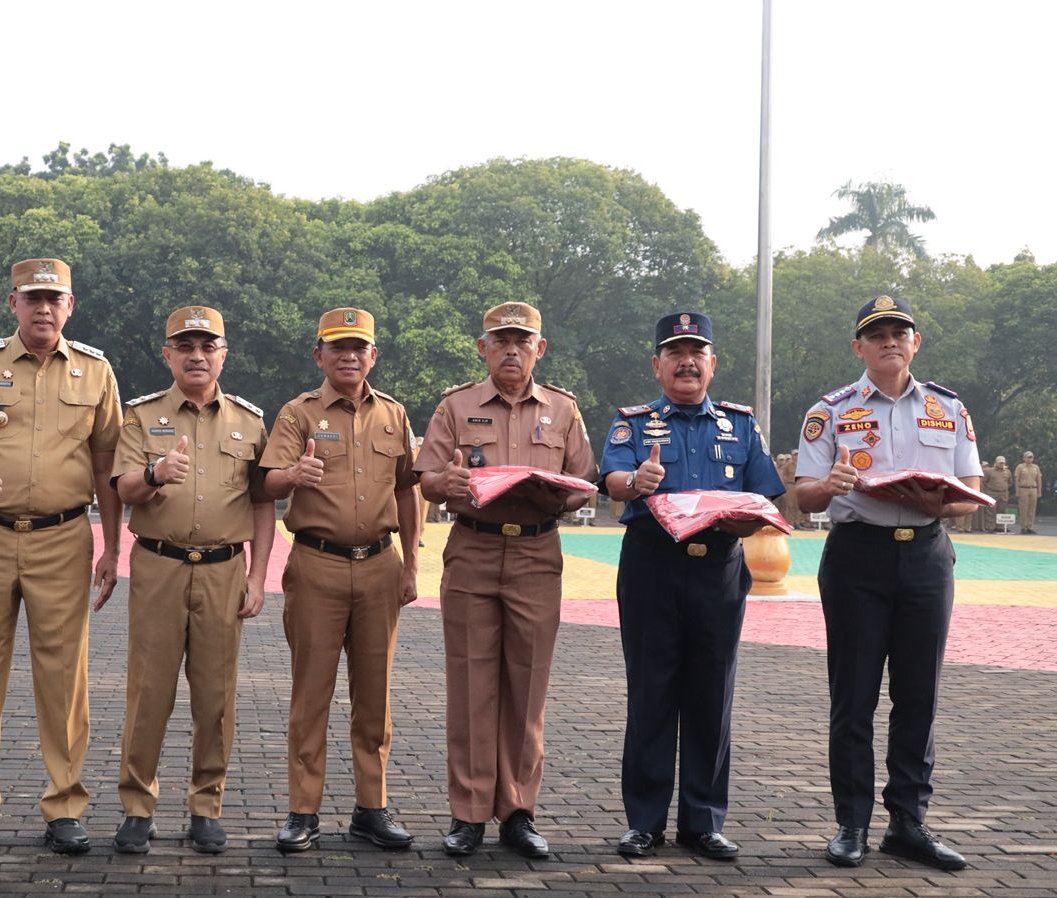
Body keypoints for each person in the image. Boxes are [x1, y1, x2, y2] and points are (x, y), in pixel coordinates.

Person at [0, 258, 123, 856]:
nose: (42, 308)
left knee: (65, 677)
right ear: (12, 303)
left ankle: (64, 805)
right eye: (31, 297)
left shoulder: (95, 370)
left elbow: (107, 465)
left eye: (53, 299)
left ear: (70, 306)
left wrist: (114, 547)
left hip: (64, 538)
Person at [795, 295, 980, 871]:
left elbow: (970, 488)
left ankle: (908, 823)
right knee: (854, 697)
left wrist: (939, 502)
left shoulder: (949, 409)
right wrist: (832, 483)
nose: (889, 342)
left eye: (900, 332)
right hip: (857, 560)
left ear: (916, 343)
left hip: (926, 557)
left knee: (918, 695)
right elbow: (802, 497)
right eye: (876, 335)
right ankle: (851, 823)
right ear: (859, 347)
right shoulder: (830, 411)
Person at [413, 302, 597, 857]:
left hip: (537, 552)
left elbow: (584, 477)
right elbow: (426, 478)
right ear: (483, 348)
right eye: (501, 341)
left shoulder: (563, 410)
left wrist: (560, 493)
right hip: (472, 546)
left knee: (528, 684)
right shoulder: (455, 406)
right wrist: (444, 481)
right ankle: (468, 812)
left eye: (523, 341)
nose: (512, 350)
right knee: (471, 684)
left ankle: (518, 811)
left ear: (541, 349)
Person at [598, 311, 782, 861]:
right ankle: (645, 822)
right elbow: (612, 480)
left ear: (712, 363)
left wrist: (744, 517)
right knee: (652, 693)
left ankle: (703, 821)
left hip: (718, 569)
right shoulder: (633, 423)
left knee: (711, 694)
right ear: (658, 365)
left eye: (696, 352)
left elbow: (767, 497)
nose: (687, 361)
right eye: (675, 352)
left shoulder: (740, 425)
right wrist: (637, 481)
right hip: (654, 565)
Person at [109, 305, 275, 855]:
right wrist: (157, 473)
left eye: (208, 346)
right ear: (169, 354)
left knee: (216, 695)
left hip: (224, 570)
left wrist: (258, 575)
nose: (197, 355)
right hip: (159, 565)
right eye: (185, 346)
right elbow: (123, 488)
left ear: (224, 354)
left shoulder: (249, 421)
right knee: (149, 690)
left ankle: (207, 804)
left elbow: (262, 503)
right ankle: (138, 805)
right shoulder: (141, 416)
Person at [259, 307, 420, 854]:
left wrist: (413, 563)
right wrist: (291, 476)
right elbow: (266, 481)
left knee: (375, 696)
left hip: (380, 565)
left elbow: (406, 489)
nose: (349, 356)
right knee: (311, 694)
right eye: (338, 347)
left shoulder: (394, 415)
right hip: (317, 565)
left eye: (359, 348)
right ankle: (303, 812)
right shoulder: (297, 414)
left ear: (373, 355)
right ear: (319, 355)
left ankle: (371, 809)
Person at [1014, 451, 1042, 533]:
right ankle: (1023, 527)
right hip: (1023, 489)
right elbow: (1017, 480)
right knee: (1023, 508)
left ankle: (1030, 527)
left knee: (1032, 509)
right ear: (1024, 458)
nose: (1030, 459)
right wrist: (1017, 491)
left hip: (1033, 488)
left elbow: (1039, 479)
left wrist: (1039, 491)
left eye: (1031, 457)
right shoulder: (1020, 467)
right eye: (1028, 457)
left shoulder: (1036, 467)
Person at [983, 456, 1011, 532]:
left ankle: (1000, 527)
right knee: (991, 510)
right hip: (992, 493)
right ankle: (990, 527)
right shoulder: (989, 471)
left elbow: (1009, 482)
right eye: (1000, 463)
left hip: (1003, 493)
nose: (1002, 464)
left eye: (1003, 463)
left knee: (1002, 510)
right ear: (996, 463)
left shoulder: (1007, 472)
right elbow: (984, 482)